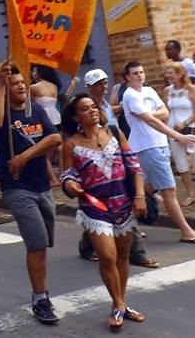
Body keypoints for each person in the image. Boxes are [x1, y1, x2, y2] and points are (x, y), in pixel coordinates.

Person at [60, 95, 147, 331]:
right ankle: (118, 303)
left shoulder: (115, 134)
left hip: (124, 203)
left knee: (122, 256)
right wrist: (71, 185)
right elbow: (67, 175)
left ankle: (120, 303)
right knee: (107, 256)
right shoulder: (70, 144)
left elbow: (134, 166)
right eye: (85, 109)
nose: (92, 111)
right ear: (76, 117)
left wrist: (139, 196)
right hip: (94, 207)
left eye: (93, 107)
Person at [0, 62, 62, 325]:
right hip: (17, 188)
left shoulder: (37, 111)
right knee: (38, 242)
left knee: (44, 241)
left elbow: (55, 139)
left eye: (23, 82)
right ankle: (40, 298)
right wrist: (0, 83)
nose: (21, 86)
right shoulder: (3, 113)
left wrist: (25, 155)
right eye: (14, 83)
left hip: (42, 186)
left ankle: (41, 290)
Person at [120, 62, 195, 245]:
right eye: (135, 73)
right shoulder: (129, 95)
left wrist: (149, 115)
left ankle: (124, 223)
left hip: (158, 144)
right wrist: (178, 135)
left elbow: (165, 113)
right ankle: (186, 231)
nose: (139, 75)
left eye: (141, 71)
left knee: (145, 187)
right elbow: (154, 121)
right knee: (169, 189)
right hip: (147, 146)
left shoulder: (149, 91)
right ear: (127, 78)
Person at [79, 70, 159, 269]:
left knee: (123, 207)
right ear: (89, 86)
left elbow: (114, 130)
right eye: (98, 83)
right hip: (96, 167)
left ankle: (137, 253)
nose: (103, 86)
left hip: (117, 163)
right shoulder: (86, 107)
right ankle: (89, 245)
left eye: (105, 82)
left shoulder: (105, 105)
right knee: (98, 210)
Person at [163, 62, 195, 208]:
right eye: (167, 73)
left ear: (180, 74)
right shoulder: (167, 91)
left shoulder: (190, 89)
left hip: (190, 128)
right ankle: (190, 194)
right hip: (173, 130)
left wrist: (185, 123)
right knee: (181, 164)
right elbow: (168, 110)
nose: (168, 76)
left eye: (171, 72)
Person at [30, 64, 63, 188]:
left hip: (43, 119)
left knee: (44, 150)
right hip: (56, 117)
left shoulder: (34, 87)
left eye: (34, 70)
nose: (32, 73)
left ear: (39, 72)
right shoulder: (54, 86)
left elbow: (29, 105)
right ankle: (61, 174)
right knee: (59, 148)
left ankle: (53, 179)